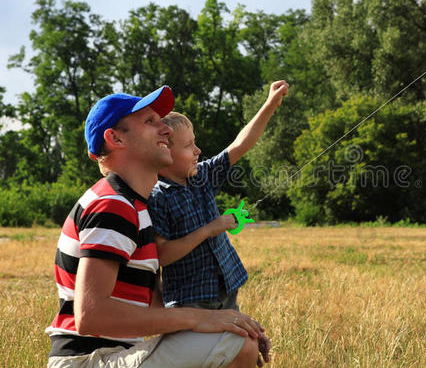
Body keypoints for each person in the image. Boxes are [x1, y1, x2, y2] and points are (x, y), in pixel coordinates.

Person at [46, 86, 267, 368]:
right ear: (114, 138)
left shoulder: (136, 207)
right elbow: (91, 315)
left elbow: (149, 309)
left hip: (118, 353)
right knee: (239, 346)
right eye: (150, 122)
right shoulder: (113, 206)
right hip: (88, 360)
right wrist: (202, 318)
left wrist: (233, 321)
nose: (164, 129)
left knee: (238, 338)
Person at [147, 80, 289, 358]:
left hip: (226, 288)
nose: (198, 150)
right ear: (165, 150)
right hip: (190, 302)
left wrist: (269, 105)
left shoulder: (202, 176)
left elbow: (241, 144)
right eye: (189, 146)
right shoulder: (157, 197)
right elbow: (162, 254)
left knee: (237, 352)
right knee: (204, 359)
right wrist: (210, 228)